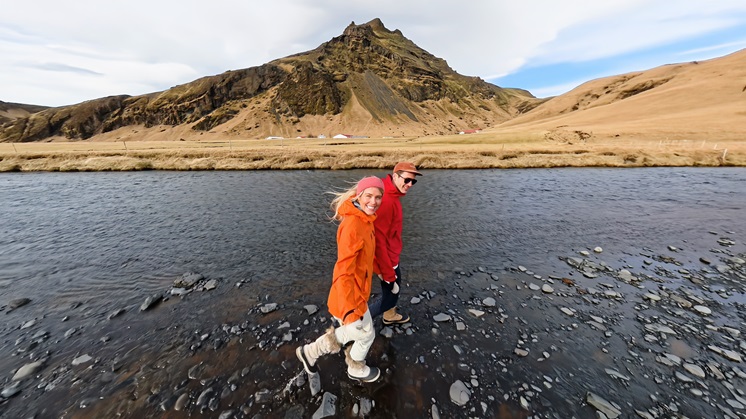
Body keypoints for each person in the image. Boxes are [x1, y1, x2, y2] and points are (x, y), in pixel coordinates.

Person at [296, 176, 385, 383]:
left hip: (358, 292)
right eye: (369, 196)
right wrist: (349, 310)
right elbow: (343, 270)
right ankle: (312, 352)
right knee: (362, 334)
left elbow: (367, 256)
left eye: (378, 197)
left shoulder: (366, 219)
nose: (373, 202)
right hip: (349, 296)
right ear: (359, 195)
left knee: (365, 332)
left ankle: (353, 363)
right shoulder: (353, 224)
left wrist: (380, 272)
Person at [368, 162, 422, 325]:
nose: (410, 185)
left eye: (413, 181)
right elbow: (378, 240)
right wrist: (386, 271)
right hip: (388, 259)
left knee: (391, 290)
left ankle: (389, 316)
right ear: (396, 175)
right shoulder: (387, 201)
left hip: (390, 255)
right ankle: (353, 326)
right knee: (390, 296)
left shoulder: (387, 189)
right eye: (407, 180)